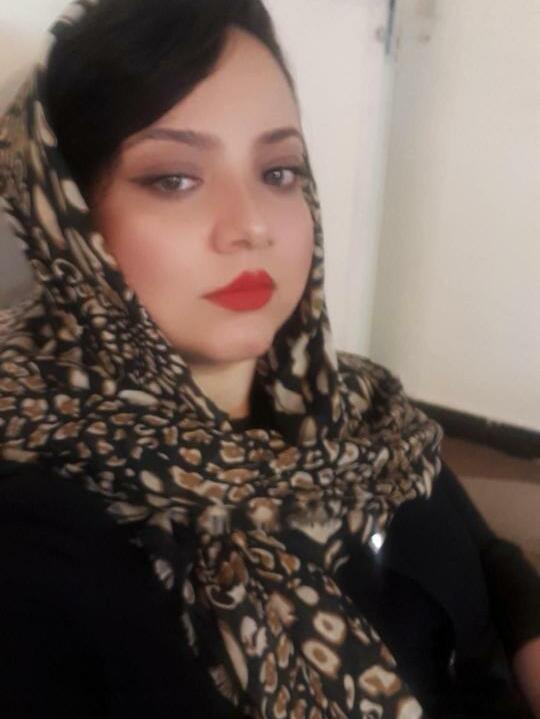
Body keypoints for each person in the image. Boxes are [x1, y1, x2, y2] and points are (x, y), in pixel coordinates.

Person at [0, 0, 538, 717]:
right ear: (65, 214)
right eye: (174, 179)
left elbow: (488, 556)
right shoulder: (39, 533)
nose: (252, 224)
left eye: (279, 171)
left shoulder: (361, 407)